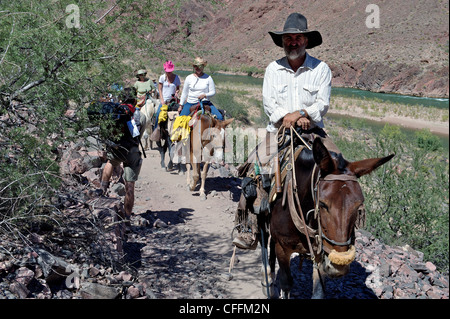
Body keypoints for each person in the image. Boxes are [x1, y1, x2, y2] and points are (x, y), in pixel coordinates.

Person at [233, 12, 338, 250]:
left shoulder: (321, 69)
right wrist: (288, 118)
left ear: (306, 41)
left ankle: (340, 234)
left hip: (314, 131)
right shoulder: (273, 69)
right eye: (288, 38)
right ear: (282, 42)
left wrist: (302, 114)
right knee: (253, 170)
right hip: (278, 131)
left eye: (297, 38)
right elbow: (269, 103)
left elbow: (322, 103)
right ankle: (247, 227)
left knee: (340, 170)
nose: (293, 42)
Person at [98, 88, 147, 229]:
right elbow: (139, 136)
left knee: (110, 163)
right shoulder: (141, 116)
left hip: (116, 148)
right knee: (130, 186)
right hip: (132, 151)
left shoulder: (115, 112)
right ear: (135, 100)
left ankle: (103, 189)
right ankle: (126, 218)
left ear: (121, 99)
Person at [153, 60, 181, 129]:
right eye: (168, 71)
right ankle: (156, 131)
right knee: (158, 115)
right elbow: (159, 88)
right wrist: (162, 100)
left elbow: (178, 88)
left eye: (170, 71)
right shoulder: (162, 77)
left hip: (173, 100)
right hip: (164, 100)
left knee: (180, 114)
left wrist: (177, 92)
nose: (169, 73)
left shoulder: (176, 78)